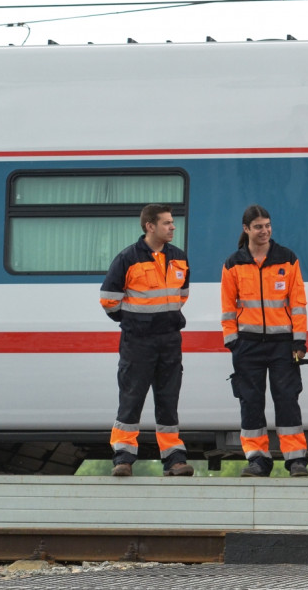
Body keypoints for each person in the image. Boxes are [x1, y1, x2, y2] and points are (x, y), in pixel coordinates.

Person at [99, 204, 193, 477]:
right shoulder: (127, 258)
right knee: (132, 397)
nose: (173, 227)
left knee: (168, 399)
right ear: (150, 226)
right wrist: (135, 322)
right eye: (166, 223)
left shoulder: (179, 257)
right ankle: (124, 457)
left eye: (172, 222)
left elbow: (182, 295)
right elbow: (108, 300)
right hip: (138, 341)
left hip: (169, 340)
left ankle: (174, 458)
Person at [220, 204, 308, 477]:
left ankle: (295, 459)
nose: (265, 231)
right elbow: (227, 307)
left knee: (287, 400)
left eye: (267, 225)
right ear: (246, 229)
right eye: (258, 226)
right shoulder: (234, 263)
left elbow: (298, 303)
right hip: (247, 345)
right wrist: (232, 342)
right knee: (250, 402)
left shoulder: (287, 258)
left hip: (283, 344)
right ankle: (257, 459)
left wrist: (299, 341)